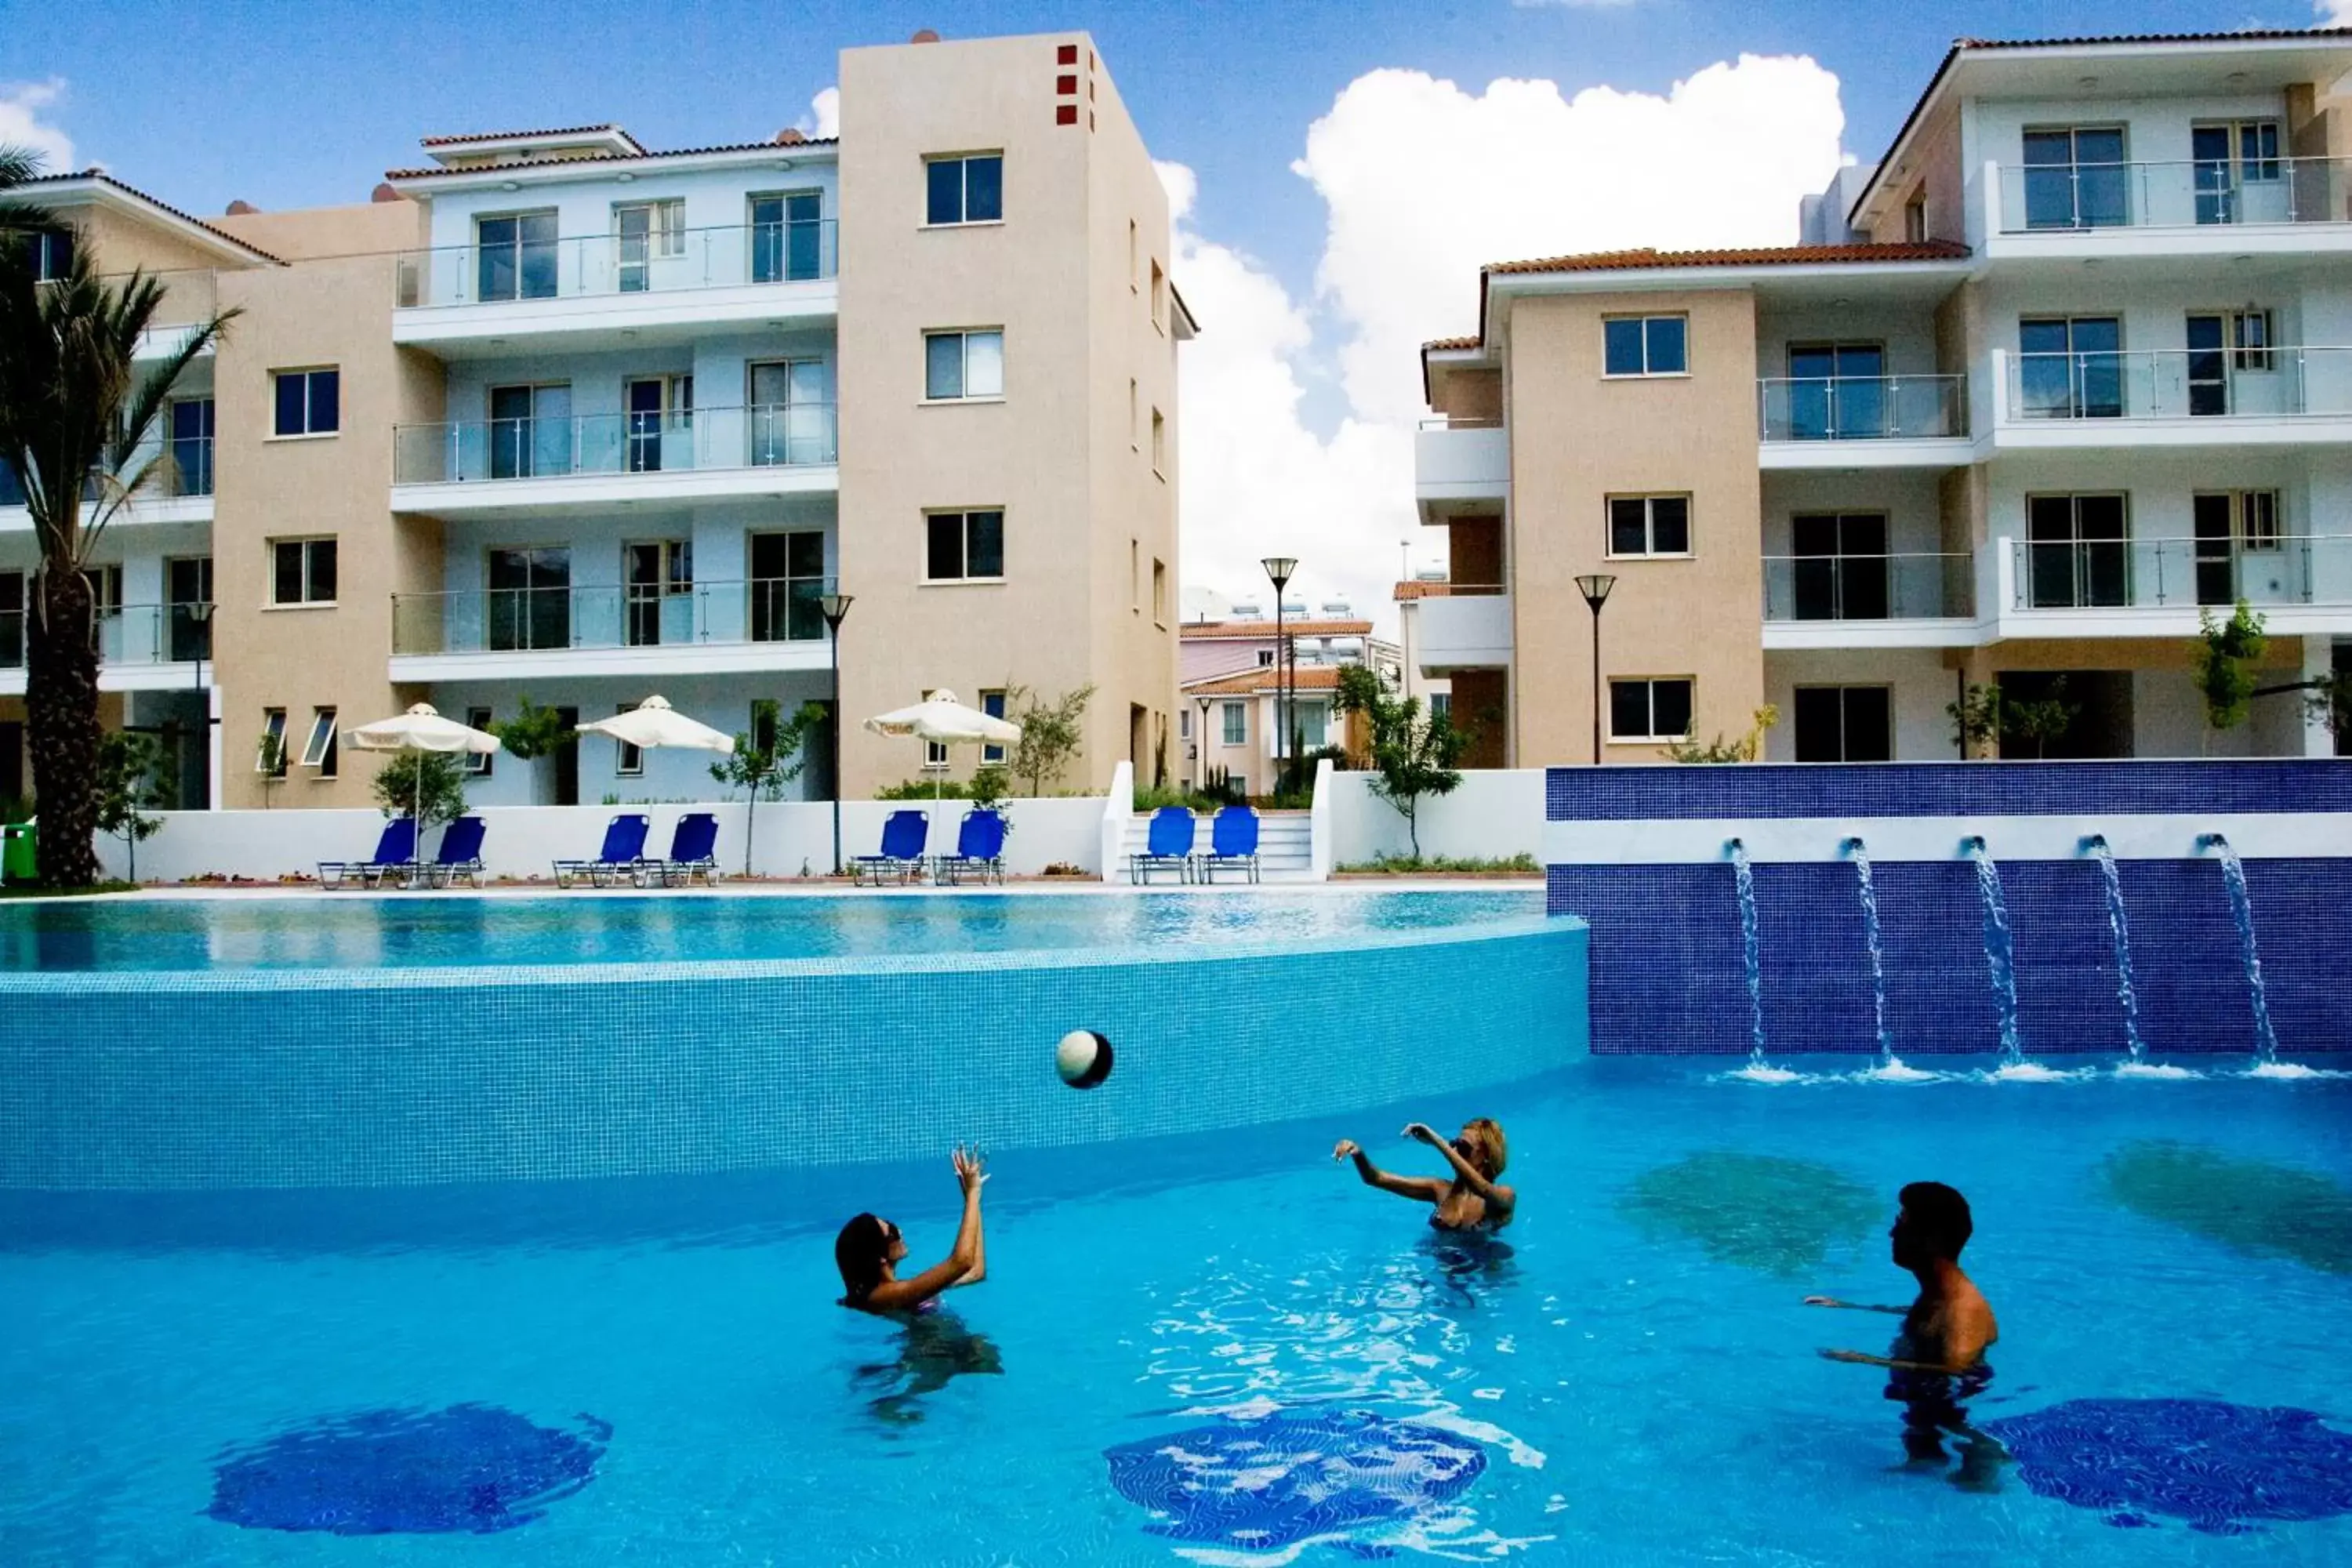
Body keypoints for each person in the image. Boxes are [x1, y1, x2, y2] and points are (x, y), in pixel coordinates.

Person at [1808, 1180, 2002, 1485]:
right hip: (1927, 1380)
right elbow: (1918, 1314)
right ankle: (1926, 1459)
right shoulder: (1938, 1292)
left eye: (1902, 1224)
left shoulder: (1961, 1308)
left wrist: (1866, 1360)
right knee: (1920, 1416)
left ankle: (1985, 1454)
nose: (1892, 1233)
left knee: (1945, 1417)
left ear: (1931, 1238)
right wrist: (1849, 1305)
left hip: (1950, 1387)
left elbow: (1957, 1369)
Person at [836, 1145, 988, 1314]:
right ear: (880, 1258)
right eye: (892, 1232)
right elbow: (962, 1262)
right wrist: (973, 1192)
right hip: (944, 1342)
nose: (900, 1232)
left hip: (955, 1340)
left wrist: (971, 1200)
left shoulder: (900, 1288)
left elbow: (975, 1271)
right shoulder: (883, 1297)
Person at [1332, 1119, 1514, 1232]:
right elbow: (1376, 1178)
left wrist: (1436, 1141)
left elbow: (1481, 1188)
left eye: (1464, 1147)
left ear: (1486, 1158)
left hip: (1484, 1278)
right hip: (1442, 1275)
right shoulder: (1440, 1190)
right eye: (1454, 1144)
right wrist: (1357, 1152)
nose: (1456, 1150)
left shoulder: (1504, 1196)